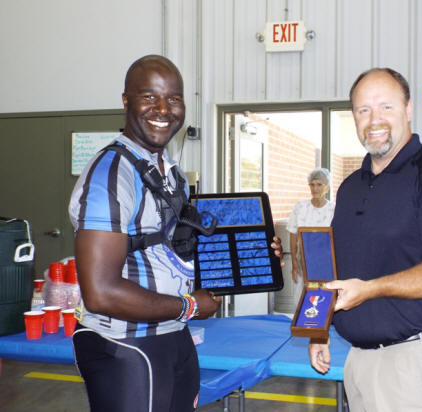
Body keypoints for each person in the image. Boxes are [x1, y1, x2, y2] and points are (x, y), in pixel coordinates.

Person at [68, 55, 282, 412]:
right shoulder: (111, 173)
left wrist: (255, 254)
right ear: (126, 101)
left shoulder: (171, 173)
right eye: (149, 97)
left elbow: (179, 249)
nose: (164, 109)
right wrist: (190, 306)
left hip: (172, 334)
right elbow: (100, 292)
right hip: (127, 344)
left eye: (174, 98)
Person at [308, 68, 422, 412]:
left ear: (408, 109)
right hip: (359, 360)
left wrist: (371, 289)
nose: (374, 120)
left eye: (386, 106)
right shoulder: (351, 187)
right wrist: (317, 328)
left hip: (415, 362)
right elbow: (334, 264)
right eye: (363, 110)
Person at [287, 168, 335, 307]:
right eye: (312, 184)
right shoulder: (300, 207)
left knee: (322, 299)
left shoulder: (333, 209)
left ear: (327, 187)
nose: (315, 188)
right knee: (302, 299)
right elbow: (293, 234)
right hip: (303, 261)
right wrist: (294, 262)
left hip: (325, 263)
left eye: (319, 184)